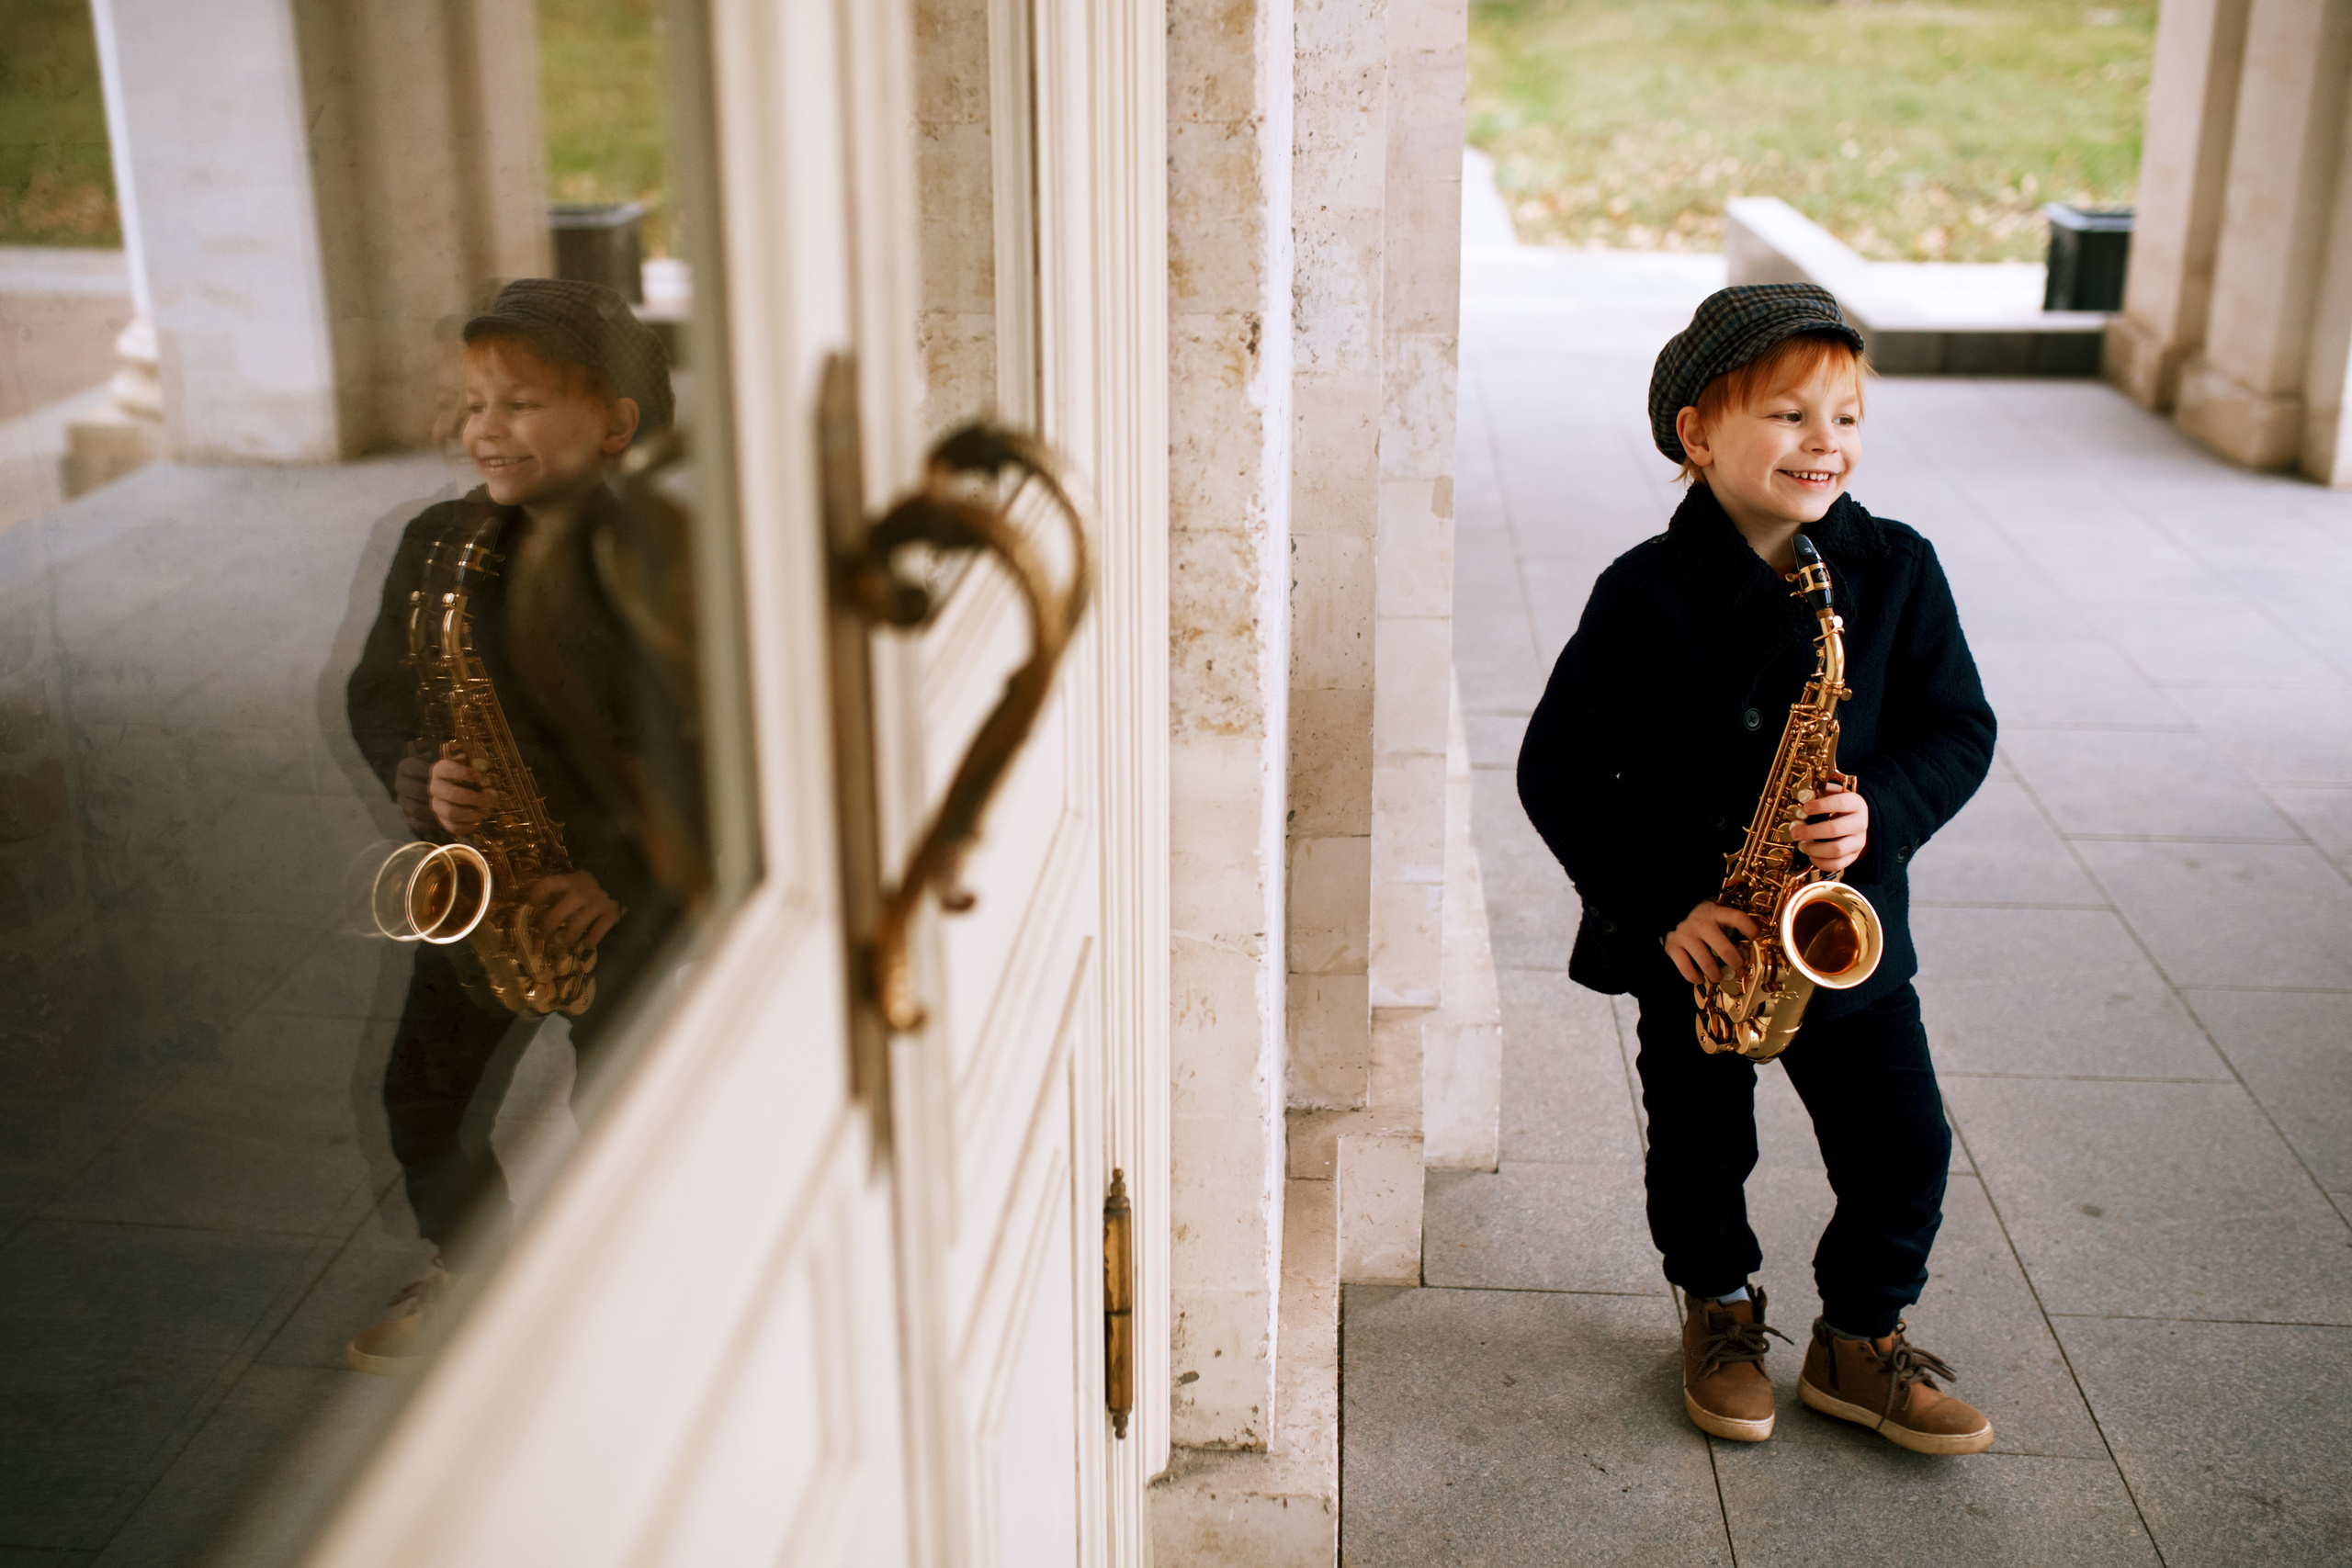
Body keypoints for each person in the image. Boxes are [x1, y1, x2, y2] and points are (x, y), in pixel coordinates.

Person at [1516, 284, 1998, 1454]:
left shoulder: (1894, 569)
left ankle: (1859, 1336)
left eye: (1842, 419)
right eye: (1787, 417)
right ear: (1696, 434)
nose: (1823, 445)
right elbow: (1559, 770)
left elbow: (1958, 730)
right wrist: (1656, 907)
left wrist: (1875, 810)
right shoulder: (1642, 593)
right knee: (1697, 1147)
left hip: (1834, 931)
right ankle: (1719, 1310)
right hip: (1706, 936)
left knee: (1906, 1142)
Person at [343, 278, 684, 1373]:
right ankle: (472, 1268)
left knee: (619, 1107)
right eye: (475, 403)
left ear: (617, 423)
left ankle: (638, 1284)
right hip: (486, 876)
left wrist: (624, 876)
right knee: (422, 1095)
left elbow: (721, 742)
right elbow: (381, 689)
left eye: (522, 404)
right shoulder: (439, 544)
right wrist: (421, 771)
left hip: (612, 894)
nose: (483, 429)